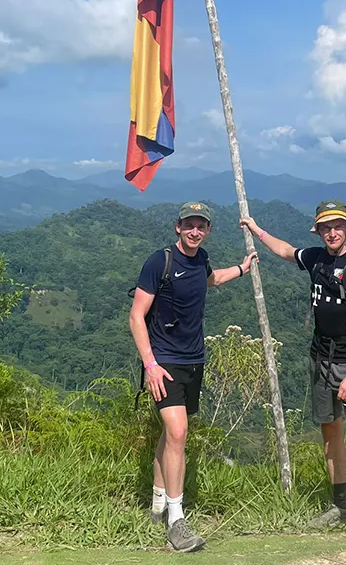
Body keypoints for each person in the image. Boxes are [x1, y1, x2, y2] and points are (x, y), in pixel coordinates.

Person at [241, 200, 346, 546]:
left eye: (337, 226)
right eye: (326, 227)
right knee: (330, 435)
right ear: (319, 231)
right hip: (320, 361)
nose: (332, 232)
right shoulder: (317, 259)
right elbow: (287, 252)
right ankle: (340, 506)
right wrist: (256, 229)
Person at [129, 201, 257, 553]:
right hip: (164, 362)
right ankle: (176, 520)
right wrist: (150, 365)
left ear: (208, 230)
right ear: (177, 227)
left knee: (172, 433)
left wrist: (243, 269)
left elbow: (211, 279)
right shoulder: (160, 261)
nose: (195, 231)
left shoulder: (200, 259)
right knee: (179, 431)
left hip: (194, 360)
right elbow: (137, 315)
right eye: (189, 225)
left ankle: (157, 503)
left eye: (201, 226)